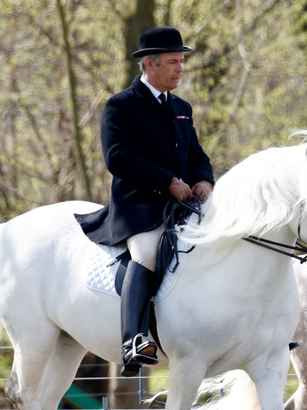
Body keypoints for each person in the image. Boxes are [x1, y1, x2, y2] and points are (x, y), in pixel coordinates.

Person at [76, 27, 215, 377]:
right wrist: (167, 182)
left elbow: (197, 155)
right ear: (150, 64)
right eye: (173, 62)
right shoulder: (121, 106)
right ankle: (133, 339)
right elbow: (118, 158)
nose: (180, 68)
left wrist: (203, 180)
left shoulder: (181, 108)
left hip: (183, 207)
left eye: (181, 61)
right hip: (139, 207)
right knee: (147, 253)